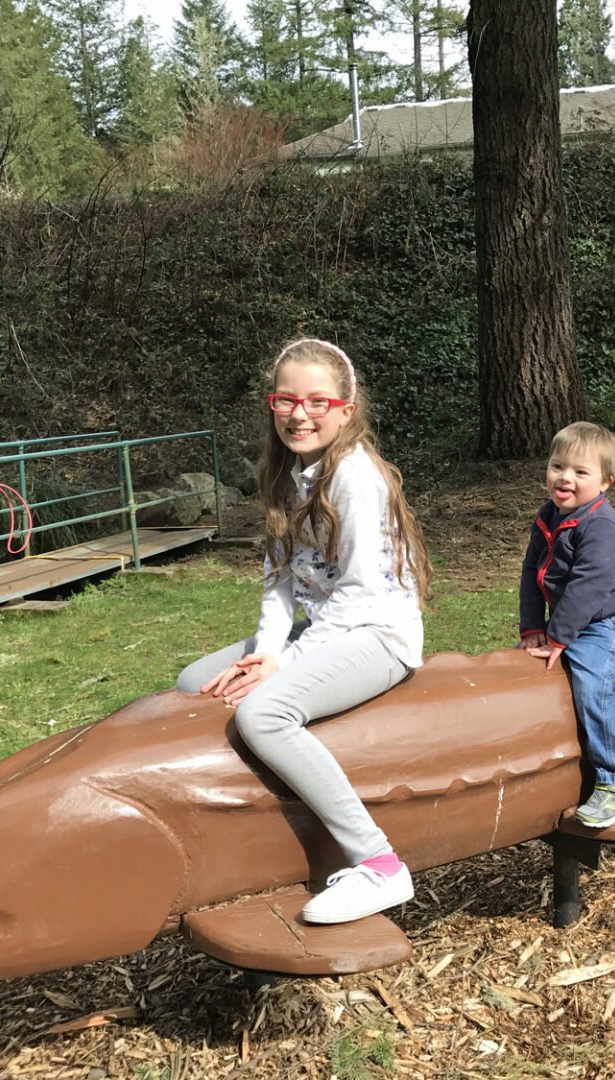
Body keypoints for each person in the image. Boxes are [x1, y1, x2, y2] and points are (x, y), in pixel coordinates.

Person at [174, 338, 433, 925]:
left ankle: (379, 863)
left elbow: (361, 592)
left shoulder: (354, 478)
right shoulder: (287, 474)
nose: (299, 412)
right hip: (324, 627)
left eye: (317, 401)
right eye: (285, 399)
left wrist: (283, 666)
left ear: (346, 408)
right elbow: (279, 584)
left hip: (377, 633)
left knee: (262, 714)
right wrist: (269, 651)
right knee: (195, 681)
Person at [518, 421, 615, 828]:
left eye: (580, 472)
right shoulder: (548, 516)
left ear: (606, 482)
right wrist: (533, 626)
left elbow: (589, 589)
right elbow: (530, 573)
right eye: (558, 466)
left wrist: (558, 638)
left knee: (592, 681)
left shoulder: (602, 528)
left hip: (606, 621)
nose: (565, 477)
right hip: (567, 616)